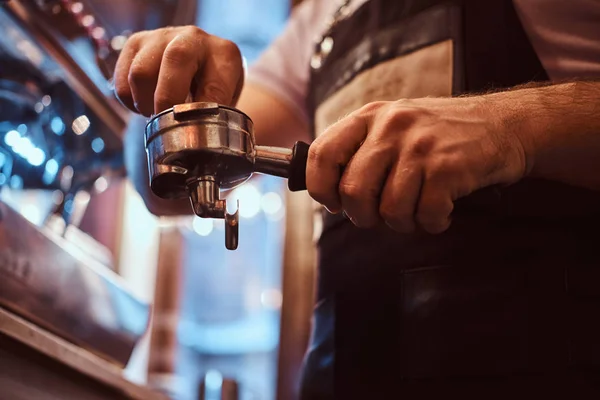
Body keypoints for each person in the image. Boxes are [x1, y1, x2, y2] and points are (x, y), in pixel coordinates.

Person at [114, 0, 600, 398]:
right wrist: (163, 95)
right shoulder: (320, 16)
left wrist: (509, 127)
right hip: (345, 377)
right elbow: (169, 192)